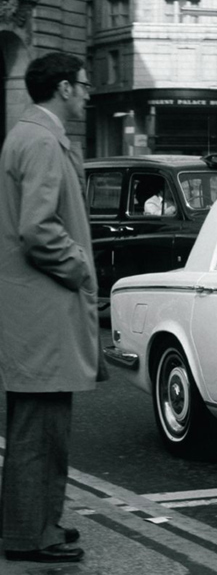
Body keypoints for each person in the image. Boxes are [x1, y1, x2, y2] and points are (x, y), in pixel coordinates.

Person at [0, 52, 97, 564]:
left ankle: (36, 524)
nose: (87, 94)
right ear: (63, 87)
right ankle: (31, 535)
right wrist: (79, 265)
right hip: (43, 308)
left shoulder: (32, 134)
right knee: (40, 430)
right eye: (84, 85)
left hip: (34, 309)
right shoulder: (41, 140)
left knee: (37, 426)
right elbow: (38, 229)